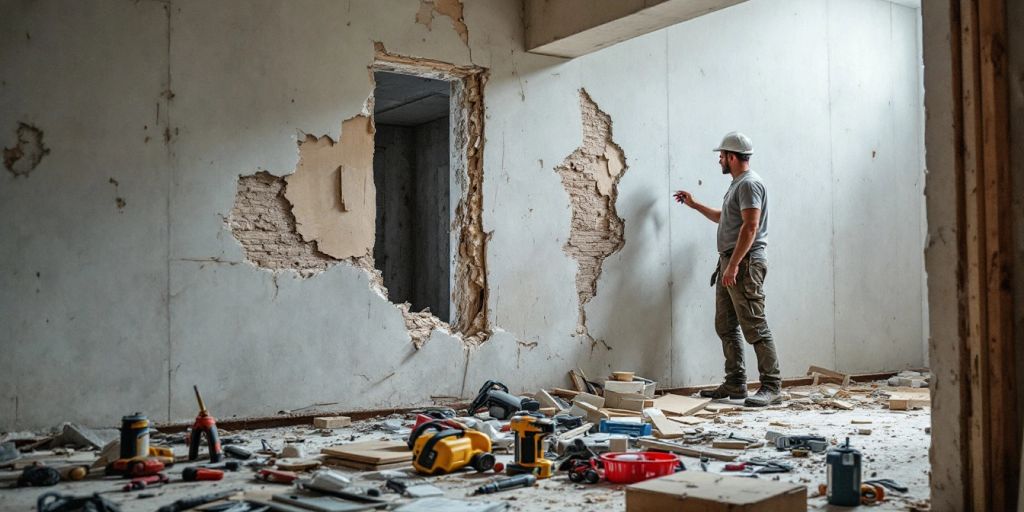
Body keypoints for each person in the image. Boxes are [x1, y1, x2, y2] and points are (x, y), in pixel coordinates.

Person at [674, 132, 782, 407]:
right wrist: (694, 203)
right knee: (725, 324)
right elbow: (726, 219)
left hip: (744, 264)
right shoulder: (737, 185)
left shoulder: (749, 185)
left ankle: (772, 386)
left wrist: (733, 265)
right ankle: (735, 382)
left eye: (721, 156)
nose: (719, 160)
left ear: (732, 157)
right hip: (730, 262)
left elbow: (750, 227)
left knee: (754, 325)